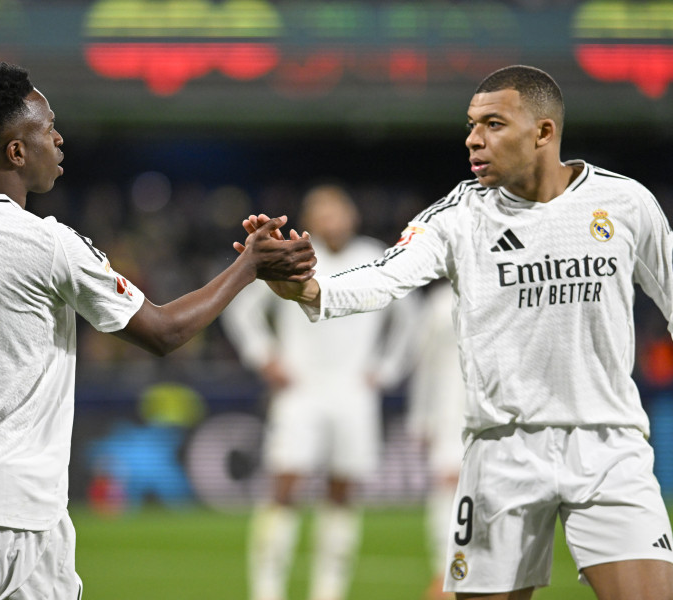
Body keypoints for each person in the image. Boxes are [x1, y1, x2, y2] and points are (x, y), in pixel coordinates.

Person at [0, 62, 315, 599]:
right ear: (16, 151)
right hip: (10, 510)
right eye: (47, 128)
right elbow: (164, 332)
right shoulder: (46, 243)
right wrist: (249, 265)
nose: (59, 139)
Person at [244, 65, 673, 600]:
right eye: (471, 124)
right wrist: (312, 291)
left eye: (493, 124)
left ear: (543, 132)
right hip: (502, 453)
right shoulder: (458, 215)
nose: (473, 138)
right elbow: (386, 274)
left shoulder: (625, 203)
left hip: (609, 445)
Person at [222, 184, 414, 600]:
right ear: (311, 219)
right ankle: (267, 590)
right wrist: (265, 357)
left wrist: (386, 370)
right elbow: (242, 311)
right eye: (322, 212)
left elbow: (408, 316)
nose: (332, 220)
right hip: (301, 390)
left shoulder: (373, 255)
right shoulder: (294, 256)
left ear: (352, 216)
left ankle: (329, 591)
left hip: (354, 393)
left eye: (338, 211)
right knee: (285, 486)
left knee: (343, 490)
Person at [403, 281, 466, 600]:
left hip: (500, 414)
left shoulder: (508, 284)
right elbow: (424, 364)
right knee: (448, 488)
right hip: (448, 413)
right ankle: (446, 573)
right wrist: (422, 419)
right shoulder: (441, 304)